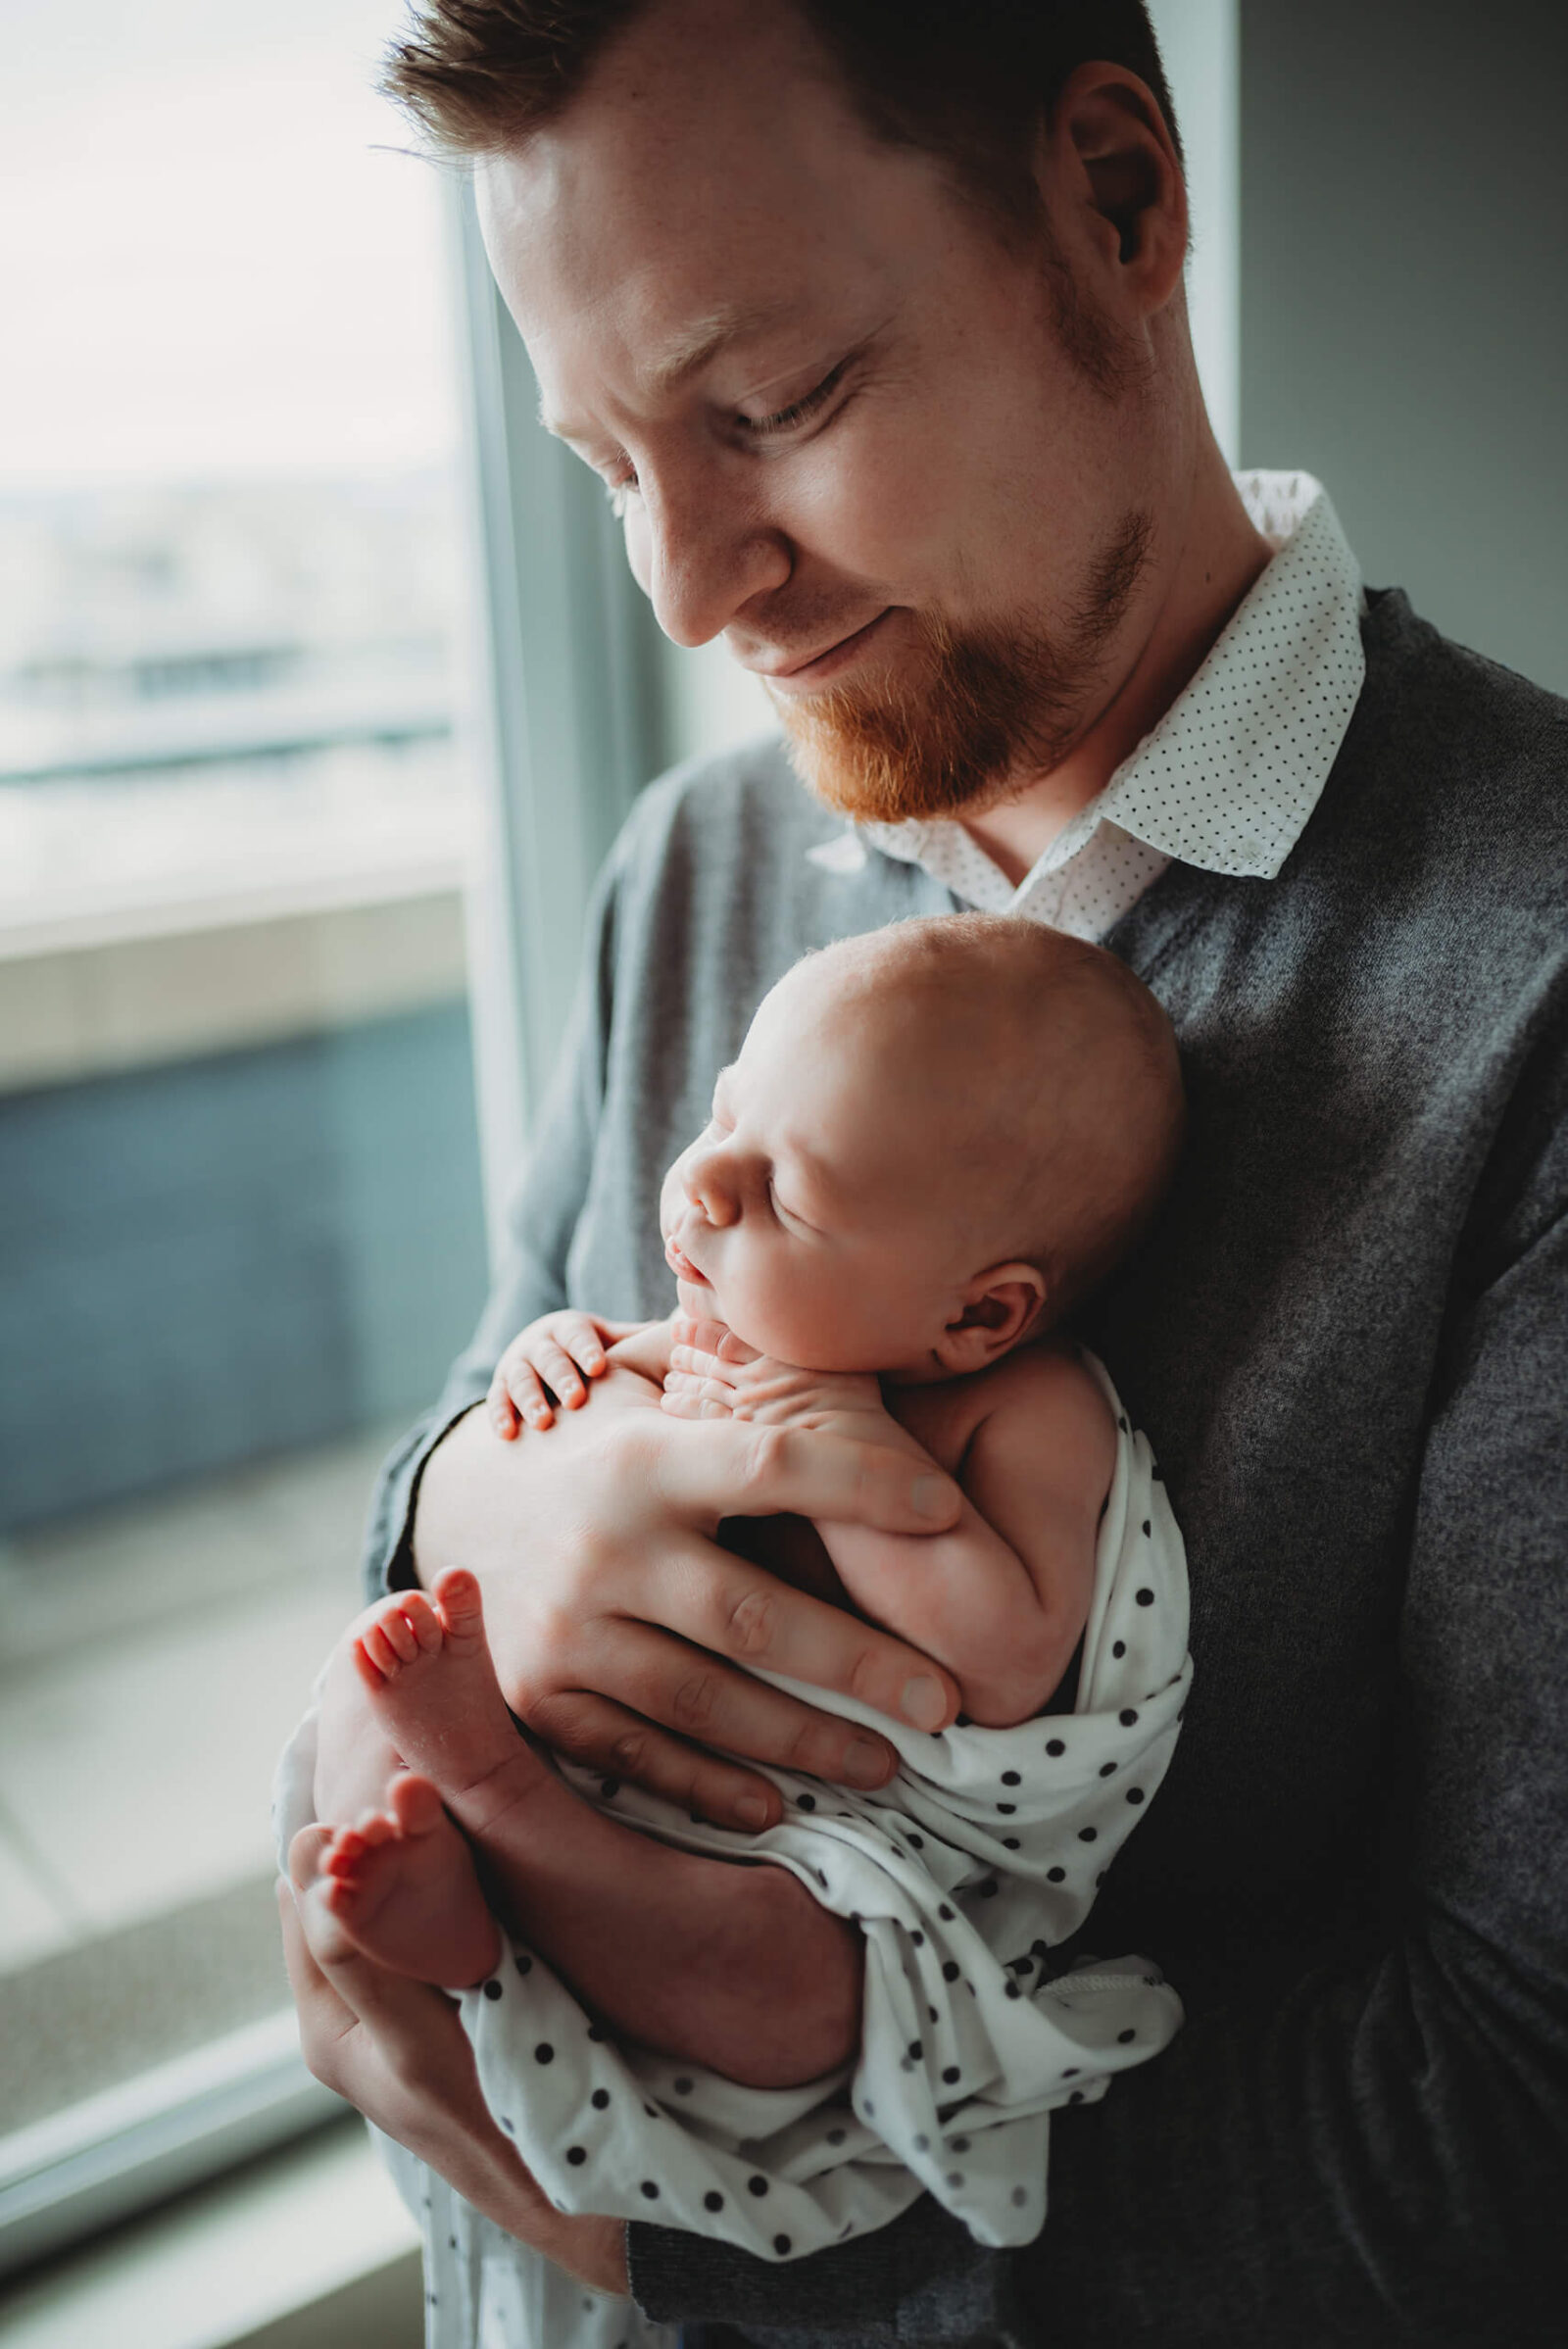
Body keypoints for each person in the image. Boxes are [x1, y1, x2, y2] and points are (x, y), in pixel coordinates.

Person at [277, 2, 1568, 2342]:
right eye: (601, 464)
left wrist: (672, 2232)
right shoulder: (684, 862)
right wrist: (477, 1506)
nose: (683, 589)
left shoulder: (1534, 999)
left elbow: (1507, 2120)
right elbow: (426, 1494)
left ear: (1117, 200)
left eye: (763, 408)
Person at [295, 917, 1189, 2345]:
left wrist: (856, 1471)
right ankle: (457, 1873)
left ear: (979, 1311)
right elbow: (540, 1430)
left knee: (792, 1992)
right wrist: (547, 1369)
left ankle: (488, 1843)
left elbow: (1010, 1658)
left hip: (809, 1848)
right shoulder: (734, 1321)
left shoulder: (1023, 1409)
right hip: (626, 1760)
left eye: (790, 1187)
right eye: (725, 1109)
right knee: (360, 1686)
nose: (703, 1179)